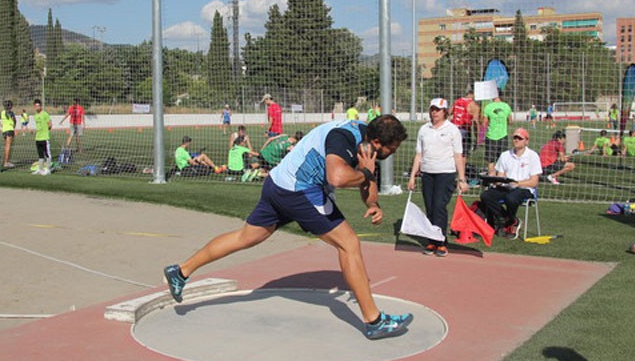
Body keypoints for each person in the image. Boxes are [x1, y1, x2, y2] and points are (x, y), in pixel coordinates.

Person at [163, 115, 413, 340]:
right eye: (393, 148)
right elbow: (338, 177)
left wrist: (373, 204)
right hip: (299, 190)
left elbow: (365, 181)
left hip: (279, 183)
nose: (395, 151)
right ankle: (374, 321)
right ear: (378, 142)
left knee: (246, 236)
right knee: (349, 244)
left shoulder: (366, 143)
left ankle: (181, 271)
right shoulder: (343, 137)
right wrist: (366, 175)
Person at [408, 98, 468, 257]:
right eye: (432, 109)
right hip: (427, 173)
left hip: (446, 173)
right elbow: (419, 155)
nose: (434, 112)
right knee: (429, 206)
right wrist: (413, 176)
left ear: (445, 112)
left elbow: (458, 155)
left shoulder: (452, 130)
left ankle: (440, 241)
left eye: (438, 109)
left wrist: (461, 179)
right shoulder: (424, 129)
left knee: (439, 206)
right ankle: (431, 240)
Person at [480, 127, 542, 239]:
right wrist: (494, 181)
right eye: (515, 137)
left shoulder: (533, 156)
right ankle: (509, 219)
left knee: (511, 198)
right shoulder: (505, 155)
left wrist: (518, 183)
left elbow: (534, 182)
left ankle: (507, 221)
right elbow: (500, 176)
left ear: (526, 141)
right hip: (507, 187)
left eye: (520, 138)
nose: (516, 140)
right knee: (486, 195)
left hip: (524, 189)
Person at [483, 94, 512, 176]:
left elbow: (484, 123)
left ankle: (491, 179)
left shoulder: (488, 107)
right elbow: (510, 121)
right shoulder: (506, 106)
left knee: (490, 160)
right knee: (503, 159)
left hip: (491, 136)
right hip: (503, 136)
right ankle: (501, 179)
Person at [451, 89, 478, 158]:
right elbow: (475, 122)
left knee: (452, 152)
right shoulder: (473, 105)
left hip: (453, 129)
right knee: (463, 154)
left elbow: (448, 113)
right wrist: (477, 138)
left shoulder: (457, 101)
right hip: (464, 129)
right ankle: (461, 168)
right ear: (473, 94)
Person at [32, 99, 53, 175]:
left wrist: (46, 131)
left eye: (38, 105)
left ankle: (48, 169)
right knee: (40, 155)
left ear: (40, 106)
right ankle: (40, 169)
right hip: (38, 138)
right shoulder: (35, 116)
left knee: (47, 154)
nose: (36, 107)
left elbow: (50, 124)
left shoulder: (45, 114)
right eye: (35, 106)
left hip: (44, 138)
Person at [0, 100, 17, 168]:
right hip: (10, 129)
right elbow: (14, 120)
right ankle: (6, 162)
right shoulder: (10, 112)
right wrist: (14, 125)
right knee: (8, 146)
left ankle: (5, 160)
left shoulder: (2, 112)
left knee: (6, 146)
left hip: (4, 130)